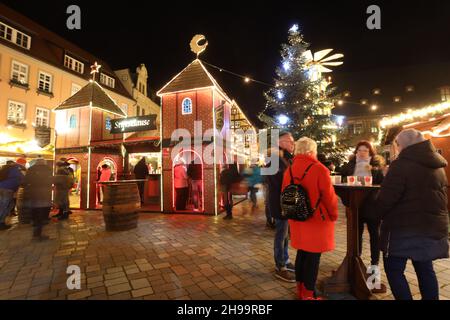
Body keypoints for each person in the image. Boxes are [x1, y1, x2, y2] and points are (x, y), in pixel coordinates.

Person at [377, 129, 449, 300]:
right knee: (425, 269)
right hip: (430, 227)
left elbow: (385, 200)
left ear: (402, 145)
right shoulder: (437, 165)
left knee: (394, 270)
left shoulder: (400, 165)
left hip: (402, 230)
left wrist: (372, 213)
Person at [282, 137, 339, 300]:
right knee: (313, 258)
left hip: (297, 218)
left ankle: (300, 289)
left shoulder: (290, 170)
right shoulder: (319, 169)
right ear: (311, 151)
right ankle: (308, 295)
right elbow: (329, 198)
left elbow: (284, 194)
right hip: (316, 220)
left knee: (302, 254)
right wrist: (333, 215)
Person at [340, 141, 385, 269]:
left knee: (374, 234)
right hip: (355, 205)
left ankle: (374, 263)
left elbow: (382, 185)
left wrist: (374, 172)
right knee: (356, 234)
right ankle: (356, 260)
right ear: (356, 152)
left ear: (370, 152)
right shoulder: (350, 165)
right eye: (359, 150)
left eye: (365, 150)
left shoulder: (376, 166)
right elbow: (343, 180)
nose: (362, 153)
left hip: (372, 205)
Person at [266, 131, 296, 282]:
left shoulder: (285, 158)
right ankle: (280, 266)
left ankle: (285, 259)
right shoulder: (275, 159)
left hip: (285, 202)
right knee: (281, 235)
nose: (293, 144)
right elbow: (280, 181)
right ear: (281, 141)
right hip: (279, 203)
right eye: (290, 141)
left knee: (285, 235)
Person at [22, 158, 53, 241]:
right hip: (44, 194)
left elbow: (24, 182)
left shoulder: (30, 170)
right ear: (44, 163)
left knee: (35, 213)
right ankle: (37, 234)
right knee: (42, 214)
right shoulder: (48, 169)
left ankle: (36, 232)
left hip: (34, 194)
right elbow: (50, 181)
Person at [0, 160, 24, 230]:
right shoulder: (15, 169)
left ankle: (2, 221)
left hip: (2, 188)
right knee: (5, 206)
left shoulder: (4, 169)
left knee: (8, 205)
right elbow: (23, 179)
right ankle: (1, 223)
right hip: (7, 190)